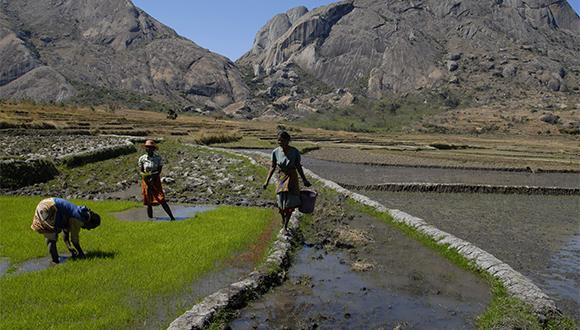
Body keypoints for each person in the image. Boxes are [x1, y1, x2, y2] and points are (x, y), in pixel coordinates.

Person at [263, 131, 311, 232]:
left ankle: (285, 225)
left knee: (290, 203)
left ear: (288, 141)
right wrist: (266, 181)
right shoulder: (275, 152)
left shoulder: (294, 152)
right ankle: (283, 220)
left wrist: (304, 179)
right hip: (281, 177)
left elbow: (298, 166)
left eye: (282, 140)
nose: (280, 142)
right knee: (280, 203)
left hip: (292, 177)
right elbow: (272, 167)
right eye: (278, 140)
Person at [31, 198, 101, 264]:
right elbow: (74, 240)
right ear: (89, 222)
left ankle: (55, 259)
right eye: (91, 227)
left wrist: (69, 247)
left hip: (44, 203)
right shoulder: (78, 220)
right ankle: (55, 262)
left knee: (51, 235)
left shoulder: (81, 213)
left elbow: (65, 234)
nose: (88, 229)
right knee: (51, 238)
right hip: (49, 208)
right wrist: (81, 253)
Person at [138, 139, 175, 220]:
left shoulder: (158, 158)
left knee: (161, 198)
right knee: (148, 201)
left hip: (155, 180)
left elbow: (159, 170)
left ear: (153, 149)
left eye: (150, 147)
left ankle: (172, 218)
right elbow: (141, 171)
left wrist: (153, 178)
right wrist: (146, 177)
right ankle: (150, 219)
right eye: (147, 147)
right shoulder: (142, 158)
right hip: (146, 180)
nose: (148, 149)